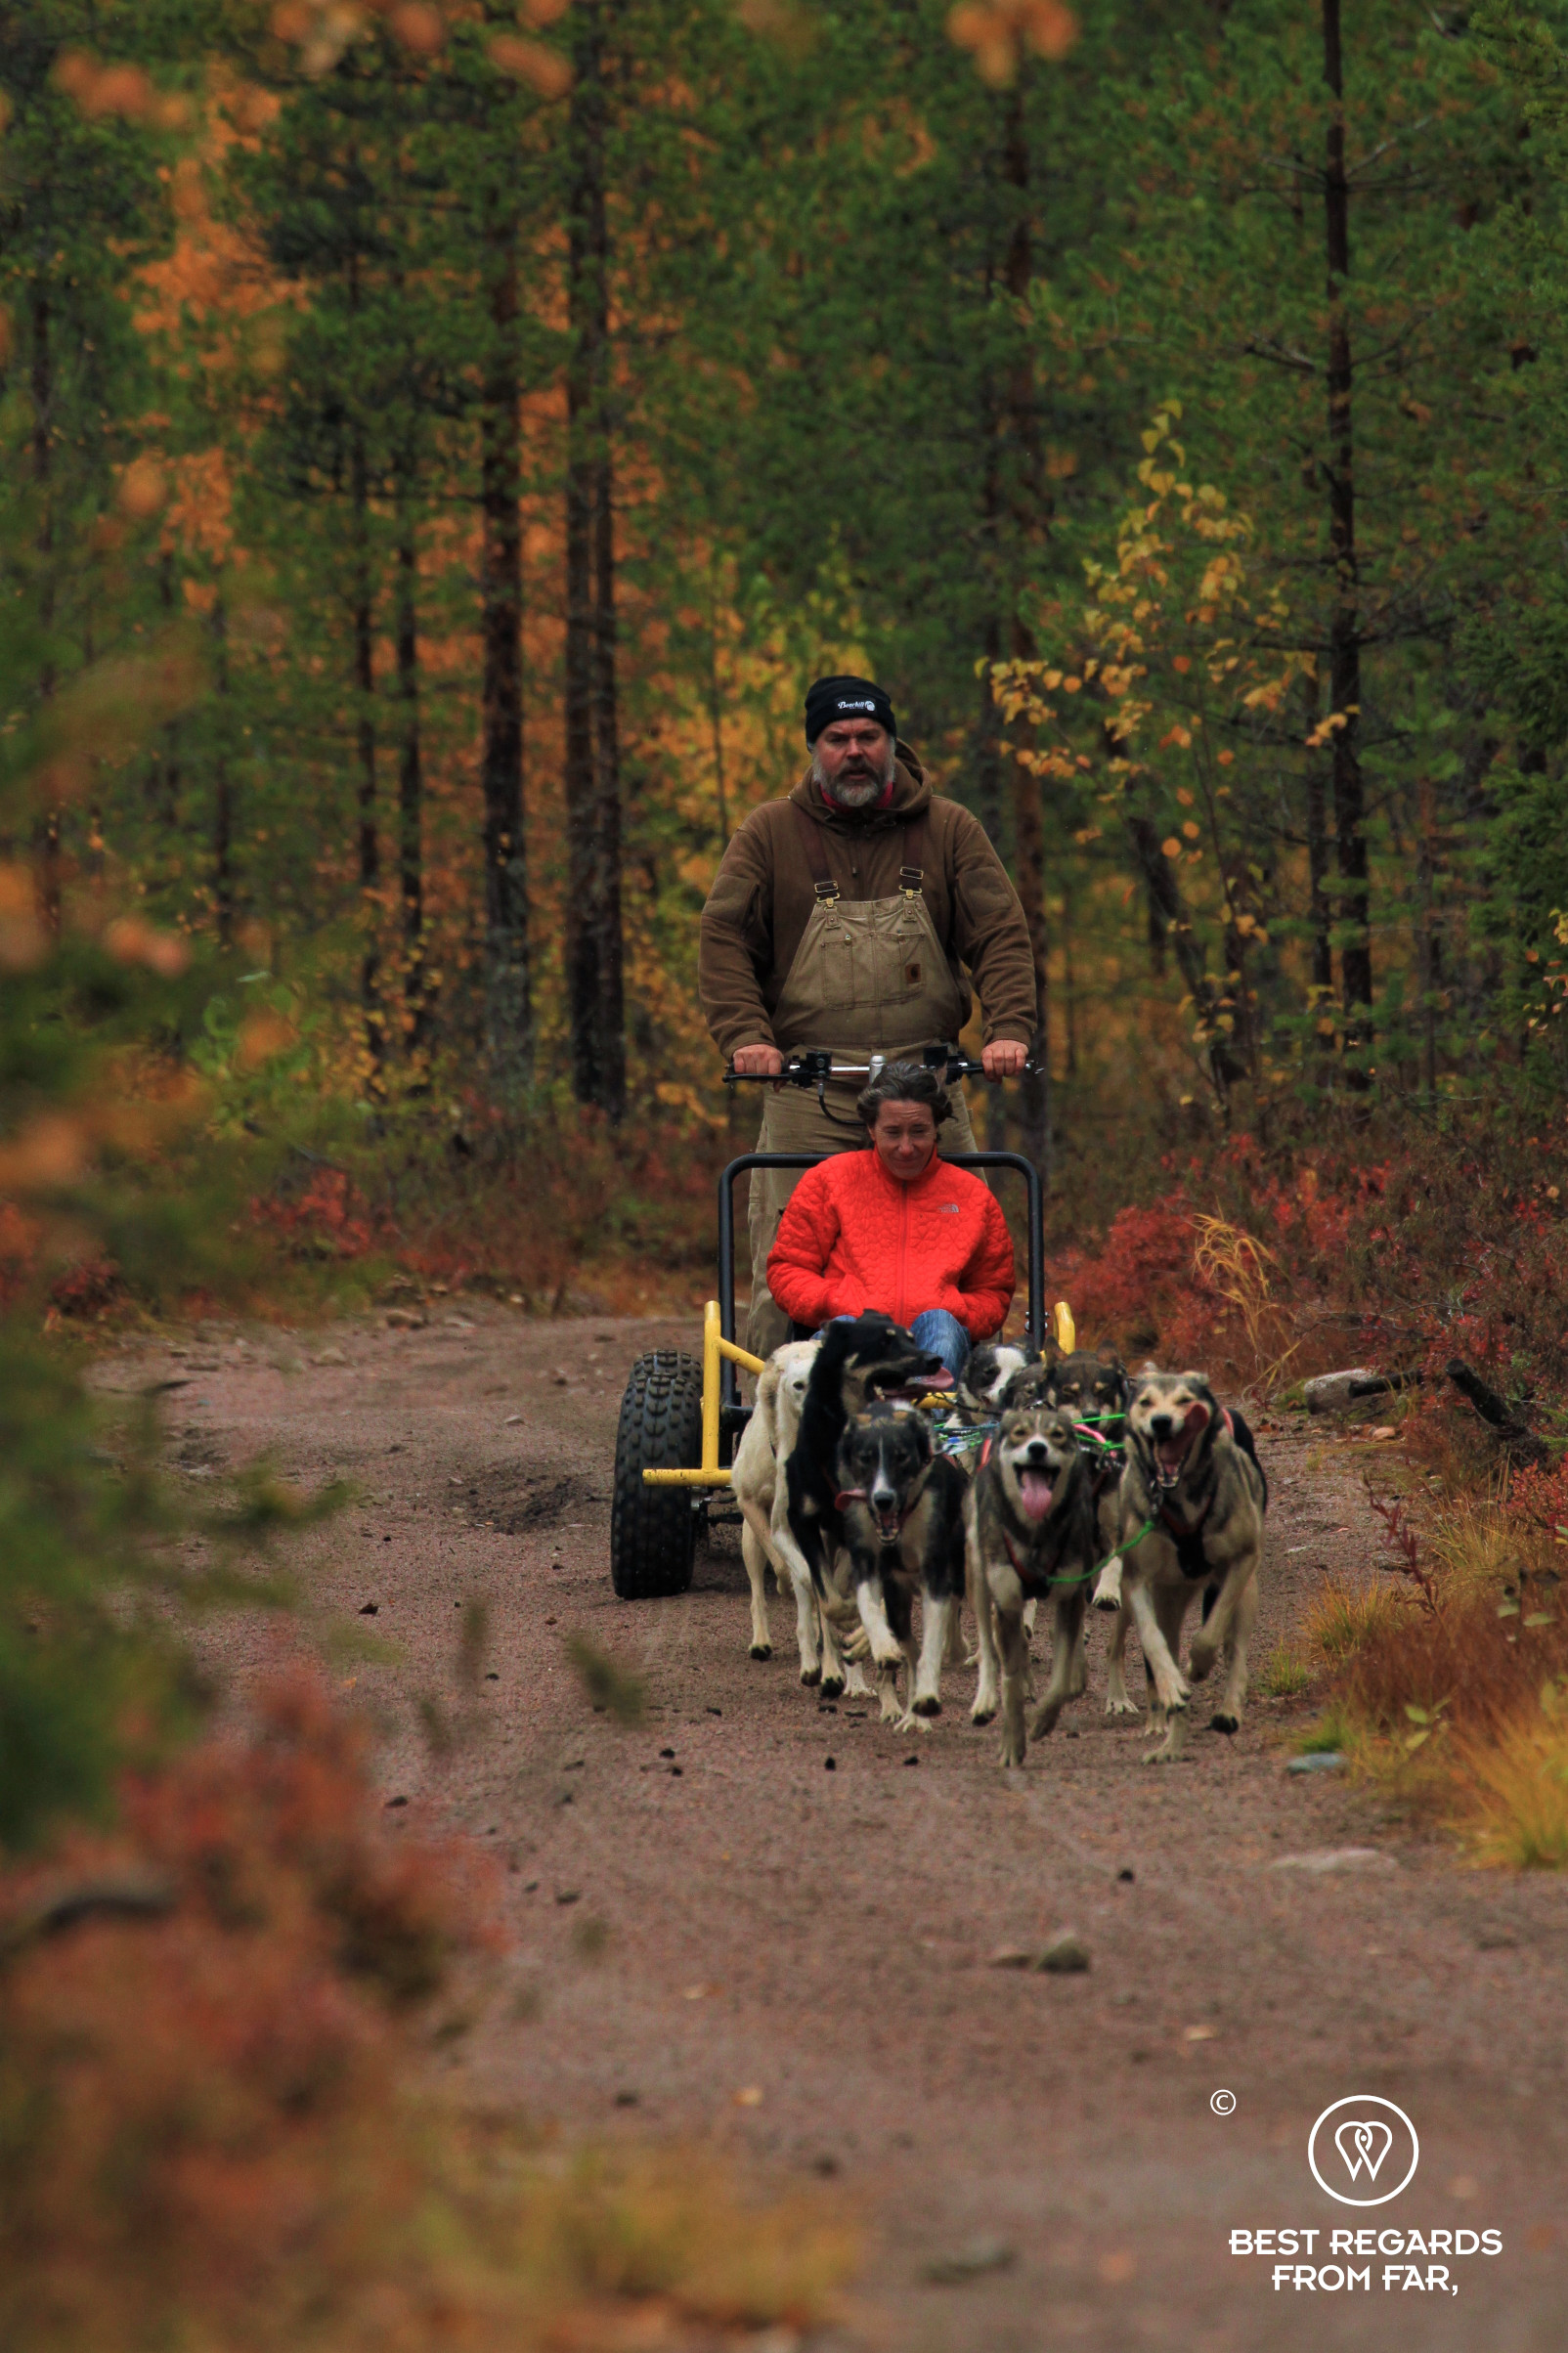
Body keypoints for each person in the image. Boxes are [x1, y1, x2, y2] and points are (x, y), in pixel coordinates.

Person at [699, 673, 1036, 1355]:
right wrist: (746, 1038)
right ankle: (779, 1425)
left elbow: (999, 933)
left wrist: (1008, 1031)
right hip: (808, 1091)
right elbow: (725, 938)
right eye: (837, 738)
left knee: (970, 1259)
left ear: (891, 741)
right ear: (814, 747)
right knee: (785, 1272)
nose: (854, 751)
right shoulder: (769, 833)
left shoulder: (949, 829)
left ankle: (970, 1412)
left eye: (867, 736)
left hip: (927, 1089)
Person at [765, 1063, 1015, 1381]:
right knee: (845, 1329)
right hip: (853, 1333)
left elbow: (994, 1290)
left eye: (919, 1132)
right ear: (871, 1129)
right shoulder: (829, 1180)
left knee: (941, 1321)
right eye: (893, 1133)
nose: (906, 1147)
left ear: (936, 1127)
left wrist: (957, 1311)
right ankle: (837, 1423)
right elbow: (787, 1269)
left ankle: (935, 1422)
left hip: (934, 1340)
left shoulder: (972, 1196)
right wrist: (834, 1301)